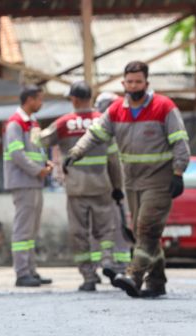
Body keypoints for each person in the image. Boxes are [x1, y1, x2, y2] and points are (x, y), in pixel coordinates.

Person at [66, 61, 191, 298]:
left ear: (147, 83)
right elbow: (95, 133)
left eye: (138, 82)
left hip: (159, 180)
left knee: (146, 229)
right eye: (130, 82)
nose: (134, 86)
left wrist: (178, 172)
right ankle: (156, 281)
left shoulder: (164, 107)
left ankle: (134, 276)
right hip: (132, 181)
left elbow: (180, 141)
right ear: (124, 83)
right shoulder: (116, 110)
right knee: (142, 231)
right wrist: (76, 152)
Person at [40, 81, 124, 292]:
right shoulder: (103, 122)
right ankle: (106, 261)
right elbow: (114, 160)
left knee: (79, 232)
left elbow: (41, 141)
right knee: (105, 230)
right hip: (102, 185)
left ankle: (88, 277)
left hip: (76, 188)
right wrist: (117, 186)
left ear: (75, 100)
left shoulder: (64, 123)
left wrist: (31, 129)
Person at [3, 85, 55, 287]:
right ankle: (22, 273)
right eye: (39, 99)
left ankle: (31, 271)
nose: (41, 103)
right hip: (23, 181)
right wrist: (38, 170)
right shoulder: (15, 124)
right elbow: (17, 154)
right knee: (23, 229)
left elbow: (36, 150)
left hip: (33, 181)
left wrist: (45, 164)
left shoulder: (31, 123)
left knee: (31, 229)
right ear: (30, 100)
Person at [94, 91, 133, 274]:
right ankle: (115, 262)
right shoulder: (106, 128)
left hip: (111, 184)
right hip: (110, 184)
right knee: (114, 224)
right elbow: (113, 161)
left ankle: (109, 262)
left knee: (110, 225)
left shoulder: (115, 127)